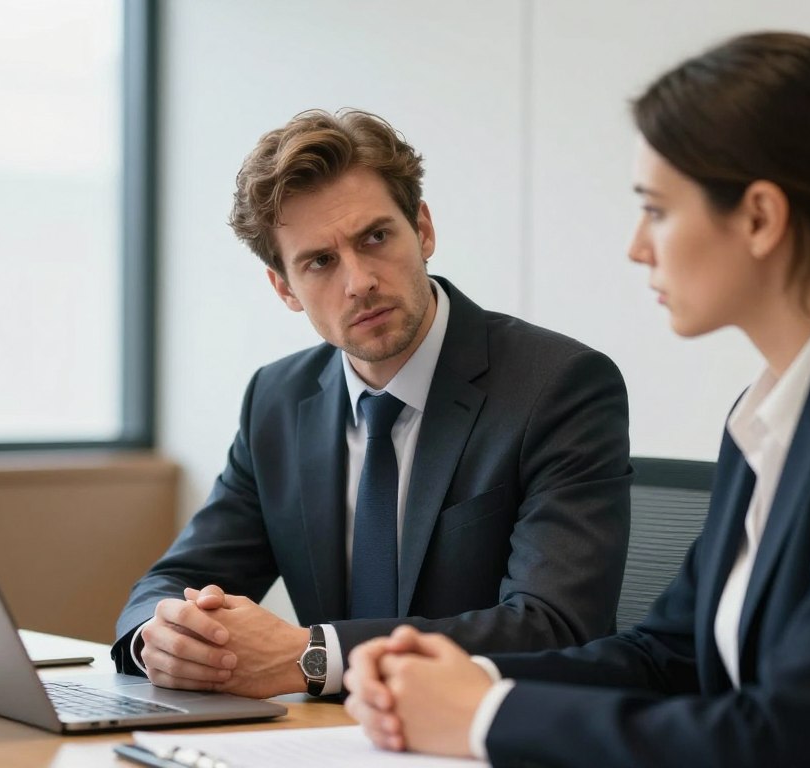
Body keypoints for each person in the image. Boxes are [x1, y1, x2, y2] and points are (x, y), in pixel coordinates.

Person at [344, 31, 810, 767]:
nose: (638, 246)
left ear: (760, 217)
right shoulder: (765, 416)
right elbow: (666, 655)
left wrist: (483, 719)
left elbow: (794, 739)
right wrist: (460, 678)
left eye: (657, 210)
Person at [111, 109, 632, 699]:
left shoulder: (558, 386)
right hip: (329, 741)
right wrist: (162, 637)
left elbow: (554, 626)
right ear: (284, 287)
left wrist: (314, 657)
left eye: (375, 237)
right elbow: (175, 581)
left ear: (423, 229)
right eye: (320, 262)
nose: (358, 281)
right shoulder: (277, 401)